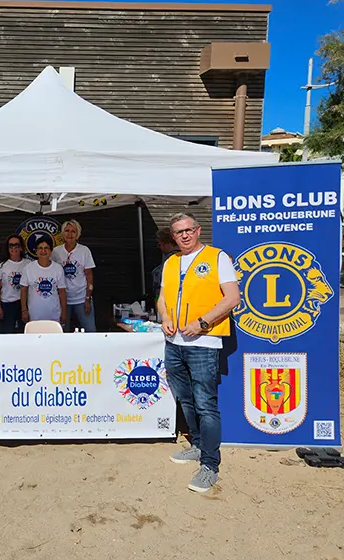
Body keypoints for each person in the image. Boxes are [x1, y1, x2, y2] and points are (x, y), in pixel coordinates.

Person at [157, 212, 240, 494]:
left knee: (205, 403)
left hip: (204, 342)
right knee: (185, 399)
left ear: (198, 230)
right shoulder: (171, 262)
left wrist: (203, 323)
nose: (184, 236)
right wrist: (164, 317)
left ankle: (210, 465)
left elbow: (232, 298)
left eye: (188, 230)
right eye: (178, 232)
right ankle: (196, 445)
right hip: (175, 341)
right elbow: (163, 298)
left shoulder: (218, 258)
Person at [52, 220, 96, 332]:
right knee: (62, 333)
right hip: (63, 300)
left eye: (73, 231)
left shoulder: (84, 251)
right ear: (62, 233)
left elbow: (89, 276)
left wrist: (88, 298)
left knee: (90, 331)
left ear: (78, 234)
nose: (69, 234)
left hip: (81, 299)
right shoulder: (56, 252)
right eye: (67, 231)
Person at [20, 237, 67, 324]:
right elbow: (23, 290)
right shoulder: (28, 268)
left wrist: (64, 313)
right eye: (40, 248)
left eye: (46, 248)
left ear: (51, 251)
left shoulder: (58, 268)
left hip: (54, 315)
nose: (43, 251)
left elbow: (62, 292)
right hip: (34, 315)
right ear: (36, 251)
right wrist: (24, 310)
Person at [0, 234, 29, 334]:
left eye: (16, 245)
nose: (14, 248)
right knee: (7, 333)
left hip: (23, 303)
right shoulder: (0, 265)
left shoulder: (28, 264)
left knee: (24, 332)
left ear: (21, 247)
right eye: (11, 245)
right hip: (7, 304)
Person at [151, 226, 179, 306]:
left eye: (160, 244)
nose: (160, 248)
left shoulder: (170, 260)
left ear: (167, 243)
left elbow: (160, 283)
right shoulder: (188, 257)